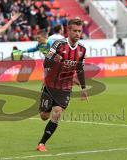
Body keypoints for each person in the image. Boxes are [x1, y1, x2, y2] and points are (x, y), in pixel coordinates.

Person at [36, 18, 88, 152]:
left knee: (57, 113)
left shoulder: (82, 49)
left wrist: (83, 88)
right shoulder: (58, 45)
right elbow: (46, 62)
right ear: (68, 31)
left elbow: (80, 69)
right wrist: (55, 60)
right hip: (50, 84)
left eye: (79, 31)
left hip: (65, 87)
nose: (77, 34)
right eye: (75, 31)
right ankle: (43, 106)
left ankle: (42, 143)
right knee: (44, 116)